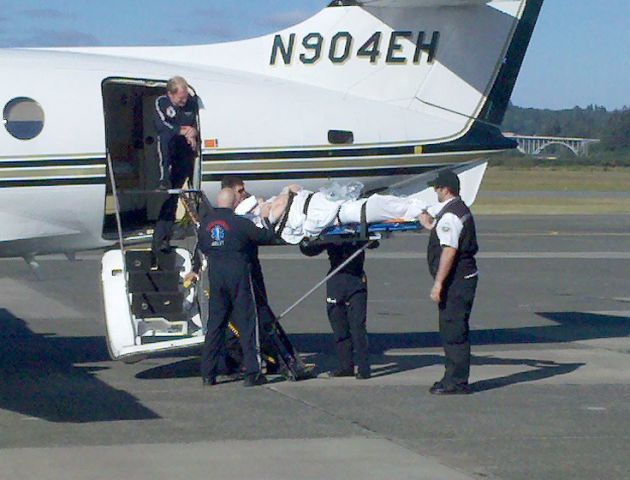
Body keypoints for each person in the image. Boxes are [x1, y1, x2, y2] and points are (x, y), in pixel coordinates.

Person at [196, 188, 277, 387]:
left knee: (215, 326)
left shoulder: (205, 225)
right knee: (247, 323)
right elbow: (266, 237)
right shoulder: (240, 223)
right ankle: (252, 372)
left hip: (216, 277)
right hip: (238, 276)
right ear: (234, 204)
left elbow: (203, 248)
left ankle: (208, 373)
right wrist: (266, 218)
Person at [418, 170, 479, 395]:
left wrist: (438, 284)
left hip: (457, 282)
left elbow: (449, 250)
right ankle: (451, 377)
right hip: (461, 279)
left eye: (436, 187)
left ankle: (456, 381)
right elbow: (447, 234)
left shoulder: (451, 216)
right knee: (451, 329)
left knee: (454, 331)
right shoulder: (456, 210)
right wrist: (430, 225)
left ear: (445, 189)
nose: (435, 191)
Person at [236, 184, 429, 244]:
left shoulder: (269, 207)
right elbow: (281, 203)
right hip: (329, 213)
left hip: (320, 204)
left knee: (370, 204)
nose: (260, 201)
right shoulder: (268, 218)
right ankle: (417, 210)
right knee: (371, 206)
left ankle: (418, 208)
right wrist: (286, 192)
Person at [300, 240, 374, 379]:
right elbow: (311, 249)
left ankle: (364, 367)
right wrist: (307, 242)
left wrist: (365, 238)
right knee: (338, 325)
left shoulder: (356, 230)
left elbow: (373, 242)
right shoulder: (331, 233)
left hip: (356, 280)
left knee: (358, 325)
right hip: (336, 279)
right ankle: (345, 366)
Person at [151, 76, 199, 254]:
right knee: (168, 198)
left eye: (185, 96)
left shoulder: (191, 104)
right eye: (181, 97)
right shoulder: (162, 103)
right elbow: (161, 125)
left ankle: (168, 237)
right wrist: (181, 131)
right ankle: (160, 239)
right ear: (170, 94)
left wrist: (192, 132)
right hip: (169, 150)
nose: (184, 100)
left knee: (178, 197)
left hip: (185, 154)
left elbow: (194, 122)